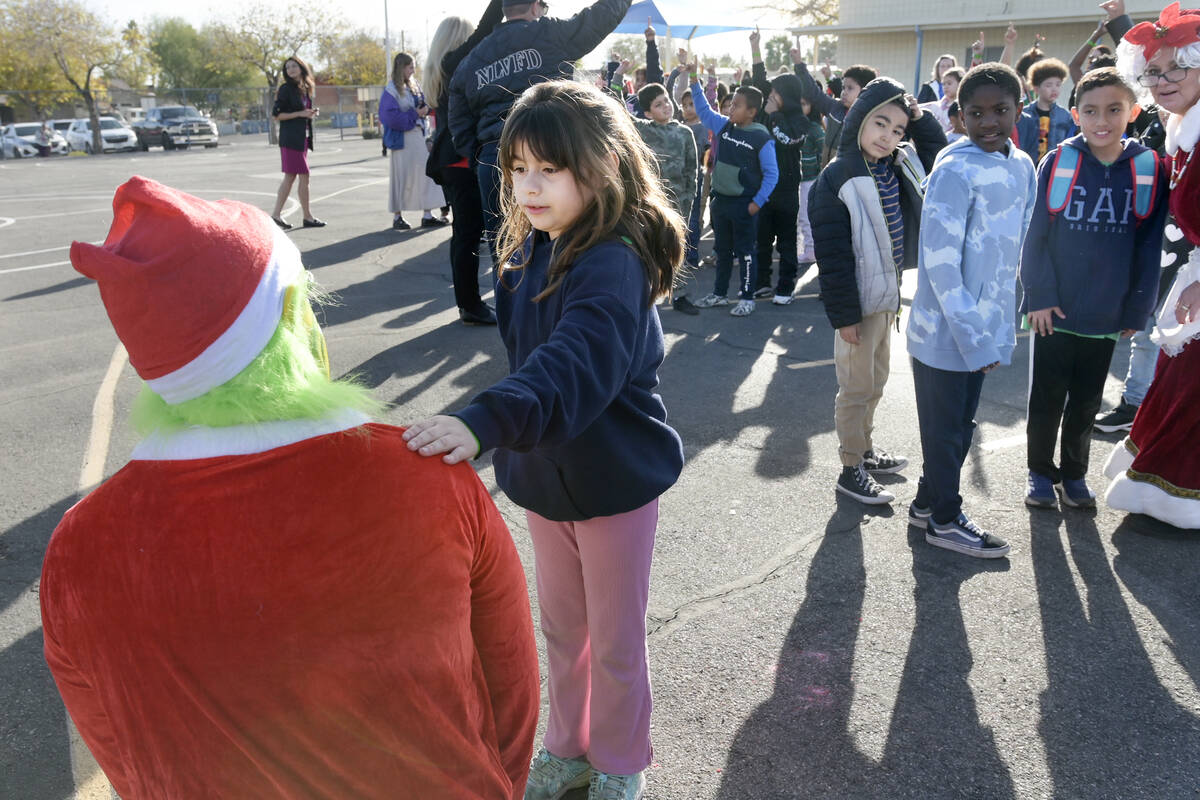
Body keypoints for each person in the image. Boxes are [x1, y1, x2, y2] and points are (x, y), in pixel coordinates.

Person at [41, 176, 540, 799]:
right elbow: (511, 688)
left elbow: (120, 751)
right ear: (289, 314)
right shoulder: (425, 477)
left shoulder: (78, 549)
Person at [403, 81, 685, 800]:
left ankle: (621, 762)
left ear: (601, 167)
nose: (527, 187)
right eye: (517, 168)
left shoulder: (612, 262)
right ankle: (569, 748)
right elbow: (533, 366)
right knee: (563, 633)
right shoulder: (531, 248)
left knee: (616, 642)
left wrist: (481, 421)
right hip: (544, 480)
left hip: (613, 485)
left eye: (548, 171)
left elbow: (569, 366)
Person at [1020, 67, 1170, 510]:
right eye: (1090, 111)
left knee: (1086, 403)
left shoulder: (1148, 168)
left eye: (1113, 109)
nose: (1101, 120)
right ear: (1075, 114)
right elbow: (1035, 234)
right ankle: (1039, 474)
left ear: (1133, 111)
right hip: (1055, 312)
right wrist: (1039, 296)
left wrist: (1136, 310)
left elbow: (1149, 246)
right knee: (1046, 399)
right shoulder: (1060, 160)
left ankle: (1075, 475)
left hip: (1107, 313)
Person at [905, 63, 1037, 556]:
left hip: (986, 325)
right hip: (945, 332)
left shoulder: (1022, 164)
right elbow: (940, 266)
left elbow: (1018, 245)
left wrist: (1000, 323)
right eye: (975, 112)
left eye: (1000, 111)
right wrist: (976, 337)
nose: (988, 122)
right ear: (958, 116)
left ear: (1017, 111)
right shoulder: (953, 169)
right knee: (945, 431)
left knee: (960, 426)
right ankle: (944, 519)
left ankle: (925, 503)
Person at [809, 77, 945, 505]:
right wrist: (844, 315)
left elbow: (939, 154)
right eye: (880, 124)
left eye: (898, 130)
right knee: (855, 387)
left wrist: (918, 117)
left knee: (877, 381)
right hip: (858, 305)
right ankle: (850, 468)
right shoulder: (838, 176)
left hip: (887, 299)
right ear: (859, 121)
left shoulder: (895, 163)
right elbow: (831, 255)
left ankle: (865, 451)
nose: (888, 136)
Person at [1103, 2, 1200, 529]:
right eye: (1153, 72)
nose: (1163, 81)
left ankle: (1181, 495)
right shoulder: (1186, 126)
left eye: (1176, 68)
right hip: (1192, 272)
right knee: (1178, 378)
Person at [447, 0, 633, 251]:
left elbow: (458, 120)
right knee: (561, 247)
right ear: (536, 7)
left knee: (505, 255)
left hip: (496, 162)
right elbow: (603, 14)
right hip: (552, 155)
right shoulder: (550, 34)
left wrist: (481, 157)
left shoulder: (472, 60)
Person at [425, 1, 504, 326]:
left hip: (456, 160)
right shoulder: (454, 62)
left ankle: (469, 302)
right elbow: (486, 29)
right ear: (461, 39)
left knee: (467, 235)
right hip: (461, 161)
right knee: (469, 236)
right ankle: (470, 304)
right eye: (470, 37)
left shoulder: (442, 66)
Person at [688, 64, 779, 317]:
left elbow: (772, 174)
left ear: (751, 112)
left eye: (737, 105)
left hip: (744, 205)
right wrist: (695, 81)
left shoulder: (761, 138)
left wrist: (757, 202)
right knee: (722, 251)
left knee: (745, 252)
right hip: (721, 203)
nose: (730, 108)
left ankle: (747, 296)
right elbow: (704, 111)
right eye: (731, 104)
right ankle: (719, 294)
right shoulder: (724, 127)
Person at [747, 28, 810, 304]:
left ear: (787, 95)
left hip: (785, 191)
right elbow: (759, 81)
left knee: (786, 243)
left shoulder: (798, 120)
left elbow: (787, 140)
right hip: (763, 189)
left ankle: (785, 287)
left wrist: (773, 117)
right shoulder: (768, 107)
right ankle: (762, 283)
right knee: (761, 241)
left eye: (776, 92)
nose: (770, 95)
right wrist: (756, 48)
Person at [629, 81, 699, 314]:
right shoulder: (644, 129)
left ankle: (678, 295)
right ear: (648, 112)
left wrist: (689, 203)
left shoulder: (684, 132)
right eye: (658, 105)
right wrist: (617, 77)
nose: (666, 106)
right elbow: (618, 111)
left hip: (678, 204)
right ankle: (647, 293)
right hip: (651, 204)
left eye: (667, 100)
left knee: (676, 250)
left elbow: (692, 171)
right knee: (648, 247)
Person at [380, 52, 447, 232]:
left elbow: (423, 105)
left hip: (419, 135)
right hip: (402, 139)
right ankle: (397, 216)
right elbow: (389, 117)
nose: (413, 70)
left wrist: (425, 109)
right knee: (401, 177)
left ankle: (427, 214)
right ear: (401, 67)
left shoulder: (414, 85)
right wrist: (414, 114)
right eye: (410, 67)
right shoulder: (391, 90)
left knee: (426, 175)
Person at [791, 49, 877, 167]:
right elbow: (813, 92)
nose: (844, 92)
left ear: (865, 92)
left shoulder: (869, 121)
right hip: (827, 174)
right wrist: (799, 64)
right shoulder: (836, 109)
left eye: (850, 88)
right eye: (843, 87)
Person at [269, 56, 324, 230]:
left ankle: (279, 215)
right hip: (290, 139)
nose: (291, 69)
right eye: (288, 67)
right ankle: (305, 216)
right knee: (301, 176)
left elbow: (301, 111)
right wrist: (300, 114)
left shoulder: (305, 88)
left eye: (294, 66)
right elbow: (277, 115)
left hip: (302, 138)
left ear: (301, 68)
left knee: (292, 177)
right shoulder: (286, 89)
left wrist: (310, 113)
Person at [1016, 58, 1078, 164]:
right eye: (1048, 85)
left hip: (1054, 167)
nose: (1054, 89)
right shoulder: (1024, 114)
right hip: (1028, 166)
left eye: (1058, 85)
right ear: (1036, 88)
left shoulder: (1065, 116)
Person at [920, 66, 963, 133]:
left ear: (960, 84)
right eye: (943, 84)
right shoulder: (936, 106)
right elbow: (919, 107)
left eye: (949, 83)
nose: (945, 87)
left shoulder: (964, 106)